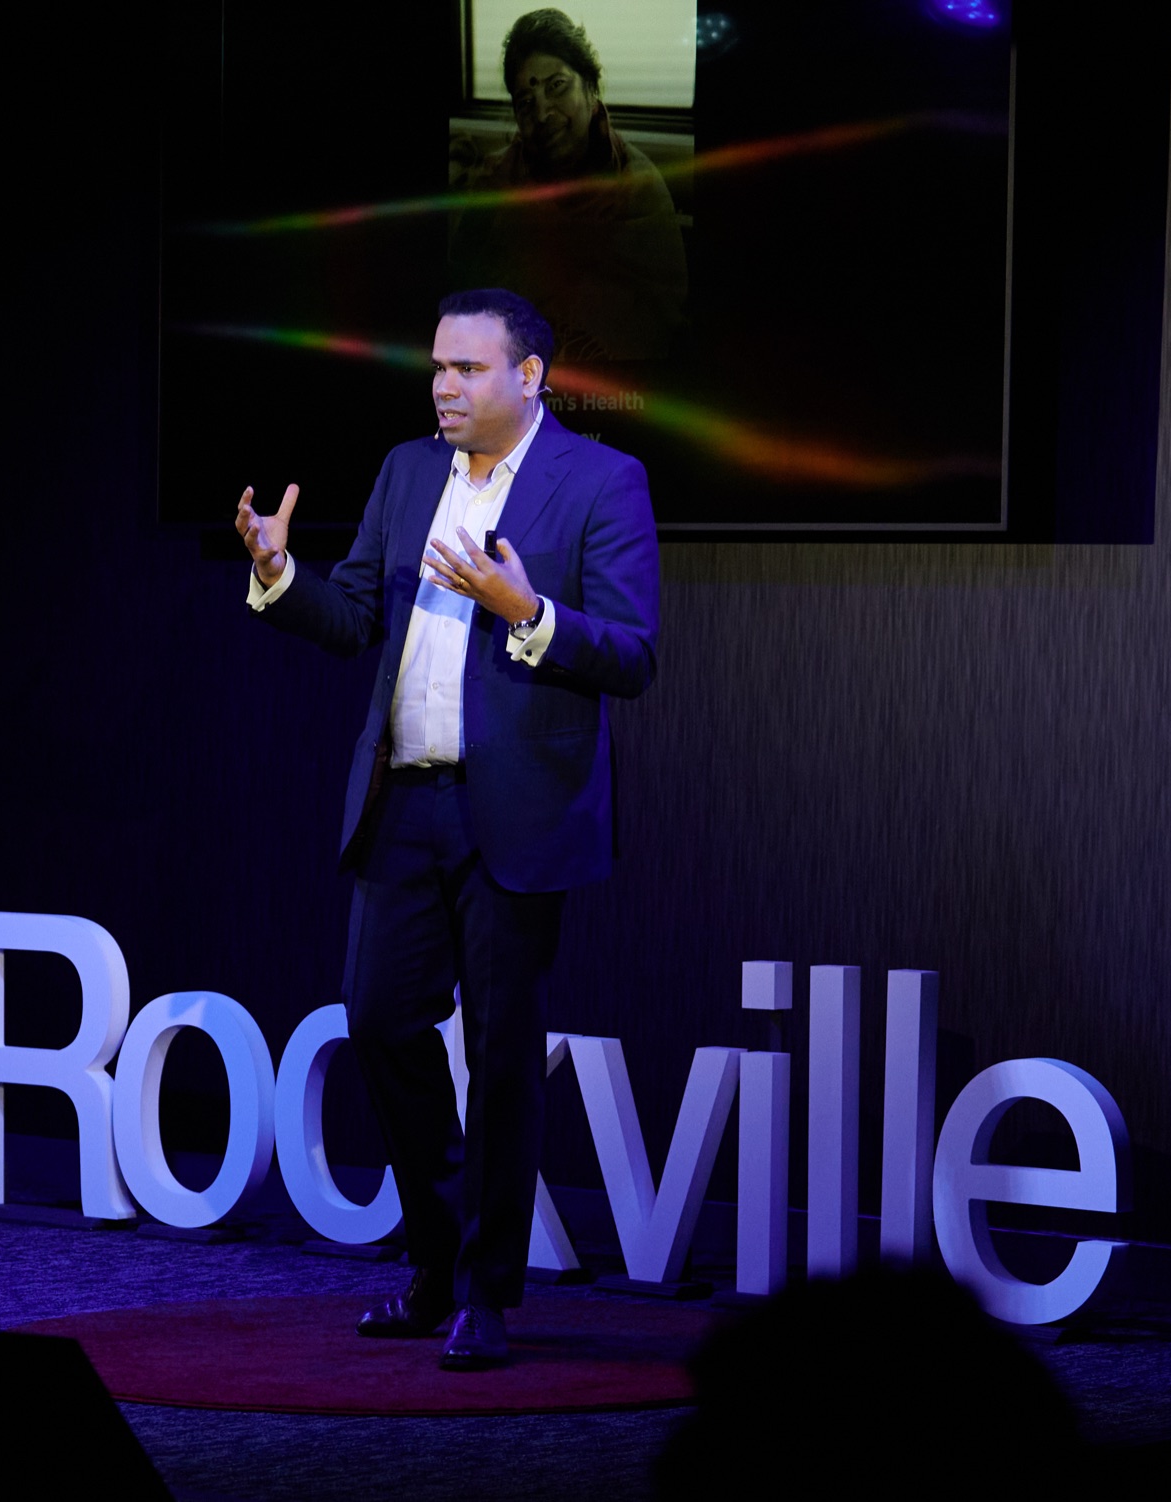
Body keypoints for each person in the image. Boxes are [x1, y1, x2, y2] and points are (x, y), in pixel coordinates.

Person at [234, 287, 658, 1369]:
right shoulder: (407, 470)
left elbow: (633, 652)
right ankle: (435, 1254)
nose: (443, 387)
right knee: (377, 1021)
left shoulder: (603, 482)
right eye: (436, 367)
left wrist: (529, 612)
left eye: (468, 369)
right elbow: (355, 620)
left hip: (517, 811)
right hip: (404, 799)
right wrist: (282, 576)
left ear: (530, 376)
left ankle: (482, 1292)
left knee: (501, 1055)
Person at [449, 8, 687, 362]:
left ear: (591, 88)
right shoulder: (496, 185)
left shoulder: (637, 190)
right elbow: (462, 296)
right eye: (526, 102)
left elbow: (655, 328)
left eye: (557, 86)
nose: (542, 114)